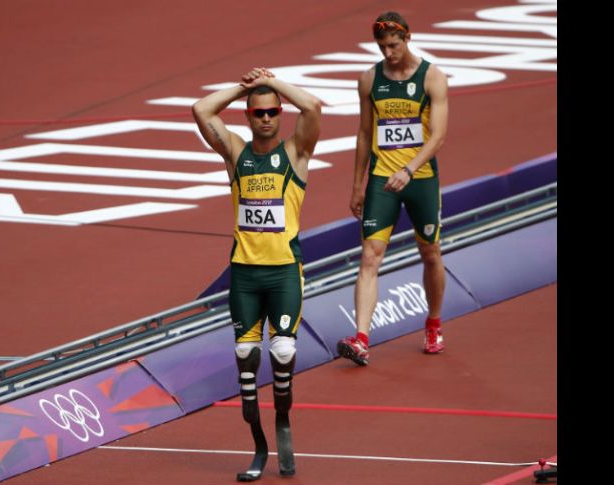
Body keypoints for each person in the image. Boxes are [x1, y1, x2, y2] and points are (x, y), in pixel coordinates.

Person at [192, 67, 321, 480]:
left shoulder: (296, 152)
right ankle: (259, 446)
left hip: (283, 273)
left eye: (272, 112)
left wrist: (273, 82)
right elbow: (201, 109)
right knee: (246, 361)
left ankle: (283, 416)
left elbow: (312, 107)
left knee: (282, 352)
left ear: (280, 114)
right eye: (258, 112)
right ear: (248, 116)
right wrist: (242, 89)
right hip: (245, 275)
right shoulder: (235, 152)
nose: (266, 118)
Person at [337, 12, 449, 366]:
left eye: (394, 45)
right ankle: (361, 339)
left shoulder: (432, 77)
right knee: (370, 256)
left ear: (407, 38)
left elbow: (438, 136)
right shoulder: (369, 79)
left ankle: (433, 323)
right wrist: (357, 186)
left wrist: (409, 169)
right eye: (383, 46)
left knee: (430, 252)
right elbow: (364, 133)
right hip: (382, 180)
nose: (389, 52)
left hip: (421, 180)